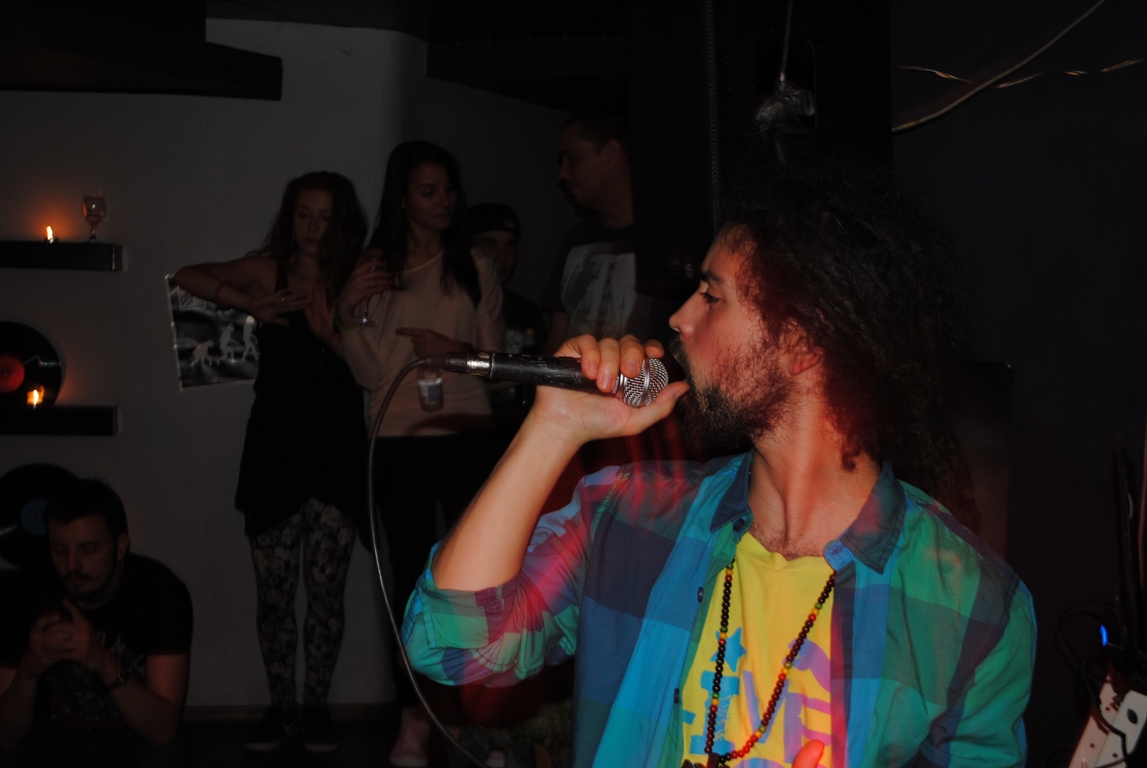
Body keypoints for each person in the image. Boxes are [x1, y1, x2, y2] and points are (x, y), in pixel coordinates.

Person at [401, 159, 1036, 767]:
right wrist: (552, 429)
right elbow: (449, 644)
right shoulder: (628, 513)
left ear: (800, 341)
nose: (679, 317)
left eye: (712, 295)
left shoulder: (972, 605)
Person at [172, 171, 369, 754]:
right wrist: (245, 302)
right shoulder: (269, 270)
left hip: (337, 451)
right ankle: (282, 708)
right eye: (303, 214)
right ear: (290, 217)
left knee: (327, 594)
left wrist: (336, 324)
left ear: (341, 222)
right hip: (274, 451)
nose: (313, 227)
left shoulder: (356, 278)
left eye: (325, 217)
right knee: (274, 595)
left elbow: (376, 365)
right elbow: (186, 276)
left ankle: (315, 708)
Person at [334, 141, 503, 767]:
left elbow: (495, 361)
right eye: (429, 190)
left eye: (448, 189)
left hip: (466, 431)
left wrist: (451, 349)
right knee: (408, 582)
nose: (443, 201)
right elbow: (368, 371)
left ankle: (479, 717)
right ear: (402, 197)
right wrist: (348, 311)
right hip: (398, 437)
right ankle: (414, 718)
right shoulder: (374, 269)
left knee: (479, 580)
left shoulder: (474, 264)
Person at [0, 478, 193, 767]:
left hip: (130, 734)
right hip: (54, 736)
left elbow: (163, 729)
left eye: (89, 549)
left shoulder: (160, 592)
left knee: (166, 755)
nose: (72, 565)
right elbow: (5, 737)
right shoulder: (24, 594)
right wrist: (27, 671)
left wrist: (103, 661)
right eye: (59, 549)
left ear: (120, 546)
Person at [542, 112, 648, 354]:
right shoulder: (577, 239)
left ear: (611, 154)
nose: (563, 173)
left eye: (572, 159)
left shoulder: (671, 237)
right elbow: (557, 337)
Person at [466, 203, 547, 442]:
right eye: (489, 244)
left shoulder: (526, 310)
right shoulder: (454, 309)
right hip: (467, 436)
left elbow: (543, 374)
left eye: (510, 246)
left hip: (521, 437)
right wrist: (523, 373)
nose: (502, 257)